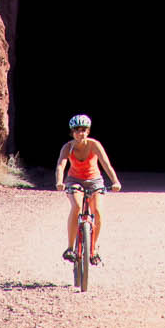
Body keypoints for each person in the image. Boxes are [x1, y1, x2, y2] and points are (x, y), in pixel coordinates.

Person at [55, 113, 121, 265]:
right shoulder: (67, 147)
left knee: (97, 210)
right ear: (72, 132)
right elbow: (61, 165)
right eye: (77, 130)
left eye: (84, 130)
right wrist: (59, 181)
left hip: (94, 180)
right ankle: (70, 248)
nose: (80, 133)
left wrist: (115, 181)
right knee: (77, 206)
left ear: (88, 131)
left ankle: (94, 249)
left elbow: (106, 164)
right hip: (74, 180)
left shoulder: (94, 145)